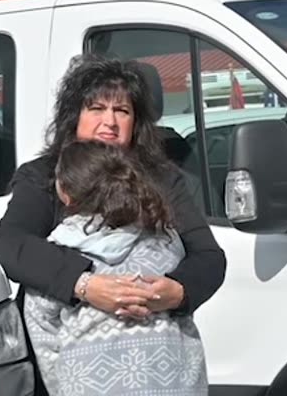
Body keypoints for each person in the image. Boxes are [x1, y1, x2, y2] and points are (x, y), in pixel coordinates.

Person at [0, 55, 226, 392]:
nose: (110, 121)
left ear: (136, 123)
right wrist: (87, 285)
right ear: (74, 117)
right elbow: (11, 244)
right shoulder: (45, 176)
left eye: (122, 111)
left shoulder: (164, 179)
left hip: (156, 371)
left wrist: (176, 291)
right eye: (96, 108)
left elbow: (208, 257)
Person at [23, 139, 207, 395]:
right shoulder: (165, 240)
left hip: (89, 383)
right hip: (171, 380)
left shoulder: (56, 254)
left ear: (64, 193)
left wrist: (62, 384)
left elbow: (42, 326)